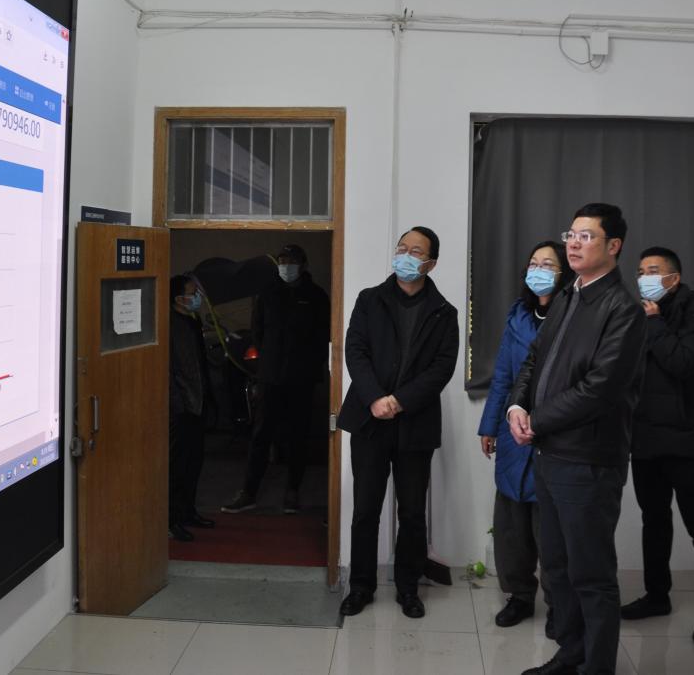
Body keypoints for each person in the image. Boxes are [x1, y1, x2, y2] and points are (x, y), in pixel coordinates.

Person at [508, 204, 647, 675]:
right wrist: (516, 406)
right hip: (550, 455)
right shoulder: (569, 295)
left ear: (614, 246)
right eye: (571, 234)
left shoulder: (623, 310)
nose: (573, 243)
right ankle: (570, 655)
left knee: (591, 575)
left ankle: (597, 667)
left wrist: (537, 420)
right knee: (558, 568)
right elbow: (535, 359)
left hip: (588, 460)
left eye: (586, 236)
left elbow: (600, 390)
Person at [337, 227, 459, 620]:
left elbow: (442, 368)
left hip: (415, 424)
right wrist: (375, 397)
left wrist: (400, 401)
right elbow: (355, 351)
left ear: (431, 263)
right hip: (370, 421)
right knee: (365, 509)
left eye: (415, 251)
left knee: (411, 512)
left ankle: (408, 588)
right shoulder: (369, 299)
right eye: (401, 248)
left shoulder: (444, 312)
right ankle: (361, 586)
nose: (405, 255)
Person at [620, 247, 694, 646]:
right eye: (640, 271)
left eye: (653, 271)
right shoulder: (639, 312)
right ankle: (656, 595)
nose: (644, 278)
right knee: (654, 521)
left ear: (673, 278)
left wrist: (655, 323)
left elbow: (685, 363)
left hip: (686, 439)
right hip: (644, 437)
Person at [477, 240, 572, 634]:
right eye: (534, 263)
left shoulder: (573, 316)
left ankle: (558, 604)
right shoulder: (518, 315)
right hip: (512, 431)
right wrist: (489, 425)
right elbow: (503, 375)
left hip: (552, 434)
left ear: (564, 273)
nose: (538, 270)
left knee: (549, 528)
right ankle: (518, 595)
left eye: (548, 264)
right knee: (511, 524)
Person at [222, 244, 330, 514]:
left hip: (301, 380)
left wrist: (308, 366)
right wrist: (267, 363)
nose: (286, 266)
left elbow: (322, 337)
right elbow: (257, 331)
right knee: (261, 435)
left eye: (291, 261)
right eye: (282, 261)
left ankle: (293, 490)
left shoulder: (316, 296)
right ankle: (249, 491)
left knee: (297, 436)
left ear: (303, 265)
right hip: (270, 377)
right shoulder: (268, 293)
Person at [169, 275, 215, 542]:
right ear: (179, 299)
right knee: (177, 464)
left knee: (194, 462)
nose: (198, 296)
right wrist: (178, 403)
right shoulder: (170, 325)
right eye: (192, 292)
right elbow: (169, 370)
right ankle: (172, 519)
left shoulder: (193, 321)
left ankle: (188, 511)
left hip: (198, 402)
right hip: (182, 407)